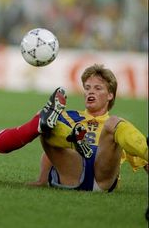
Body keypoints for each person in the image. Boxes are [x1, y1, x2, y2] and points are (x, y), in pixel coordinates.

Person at [29, 64, 148, 192]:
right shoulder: (68, 117)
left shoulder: (117, 127)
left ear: (110, 95)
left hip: (102, 180)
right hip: (71, 174)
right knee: (49, 120)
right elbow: (52, 151)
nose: (91, 91)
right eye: (87, 88)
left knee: (113, 124)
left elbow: (144, 162)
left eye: (98, 88)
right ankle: (77, 143)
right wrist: (42, 180)